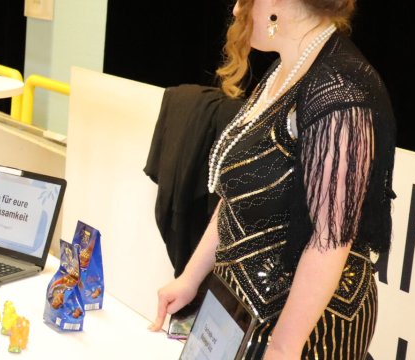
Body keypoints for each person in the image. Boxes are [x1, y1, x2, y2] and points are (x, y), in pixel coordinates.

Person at [150, 0, 396, 358]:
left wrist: (284, 346)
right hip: (244, 305)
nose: (236, 11)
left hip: (308, 324)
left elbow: (330, 239)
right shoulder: (288, 69)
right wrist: (191, 277)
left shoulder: (341, 91)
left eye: (244, 0)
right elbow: (241, 193)